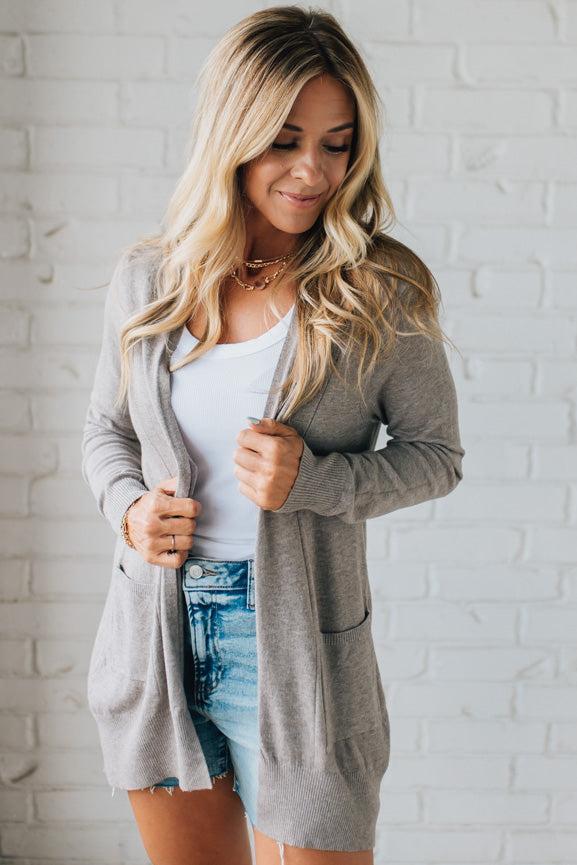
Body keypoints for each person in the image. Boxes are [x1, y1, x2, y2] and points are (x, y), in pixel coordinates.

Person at [81, 7, 465, 865]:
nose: (312, 170)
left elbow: (435, 457)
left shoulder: (379, 288)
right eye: (285, 139)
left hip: (300, 655)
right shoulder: (148, 277)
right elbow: (106, 431)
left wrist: (314, 481)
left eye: (335, 143)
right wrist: (131, 510)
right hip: (157, 635)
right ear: (233, 133)